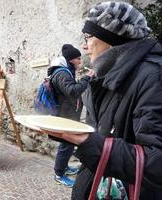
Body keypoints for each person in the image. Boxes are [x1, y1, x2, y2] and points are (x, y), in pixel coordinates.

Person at [44, 2, 162, 199]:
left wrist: (90, 143)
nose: (83, 46)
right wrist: (71, 133)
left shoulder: (154, 77)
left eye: (88, 37)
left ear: (111, 38)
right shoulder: (107, 74)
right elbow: (104, 130)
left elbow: (156, 161)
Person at [48, 46, 94, 188]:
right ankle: (59, 174)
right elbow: (72, 92)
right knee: (66, 145)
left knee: (67, 145)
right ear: (70, 59)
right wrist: (86, 78)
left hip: (68, 113)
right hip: (65, 115)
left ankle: (64, 167)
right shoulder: (62, 74)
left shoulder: (66, 71)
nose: (80, 61)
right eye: (78, 58)